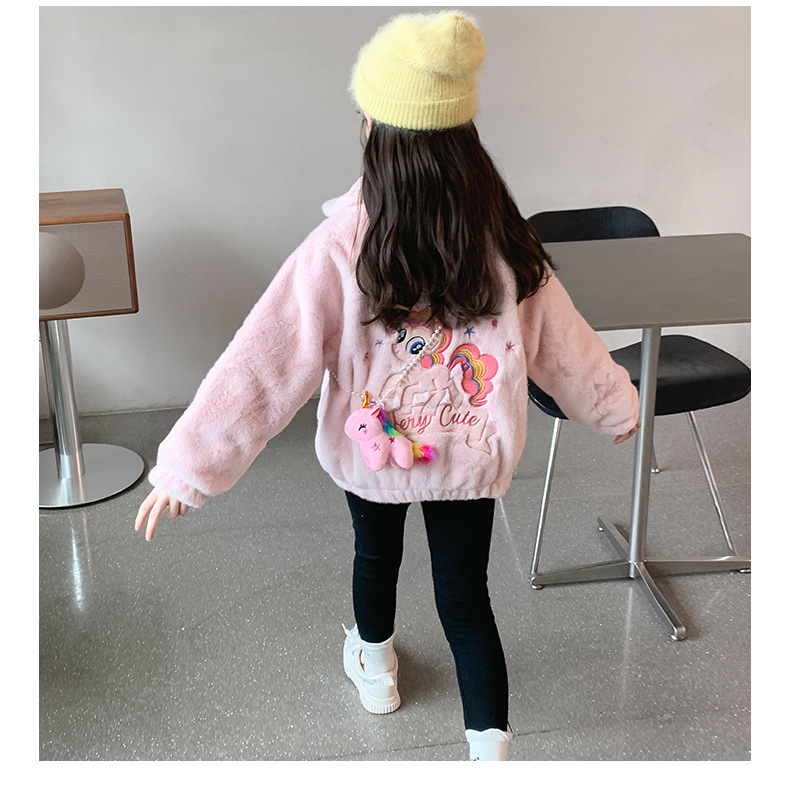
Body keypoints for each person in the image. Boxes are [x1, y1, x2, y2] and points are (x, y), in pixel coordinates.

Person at [135, 11, 640, 761]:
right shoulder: (505, 244)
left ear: (373, 127)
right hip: (470, 455)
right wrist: (613, 404)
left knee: (375, 558)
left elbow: (265, 361)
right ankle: (490, 755)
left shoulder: (340, 247)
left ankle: (374, 665)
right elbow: (565, 345)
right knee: (466, 599)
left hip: (374, 452)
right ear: (463, 139)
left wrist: (188, 467)